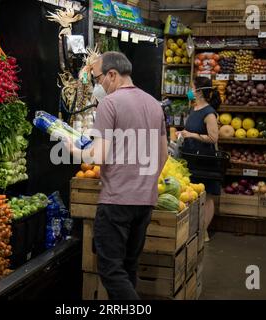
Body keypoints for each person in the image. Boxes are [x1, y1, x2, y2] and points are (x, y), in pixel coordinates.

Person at [66, 51, 168, 300]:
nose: (98, 86)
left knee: (110, 270)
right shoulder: (155, 104)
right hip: (145, 201)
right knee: (128, 266)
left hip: (116, 202)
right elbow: (163, 155)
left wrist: (74, 150)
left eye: (99, 79)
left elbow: (98, 156)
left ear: (112, 74)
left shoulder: (109, 104)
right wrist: (144, 182)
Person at [177, 76, 221, 242]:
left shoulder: (209, 113)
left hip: (205, 159)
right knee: (193, 193)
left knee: (207, 195)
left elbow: (213, 138)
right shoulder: (193, 109)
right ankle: (194, 230)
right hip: (191, 158)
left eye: (191, 87)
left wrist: (192, 135)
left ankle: (203, 232)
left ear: (199, 92)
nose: (189, 91)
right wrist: (183, 134)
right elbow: (191, 130)